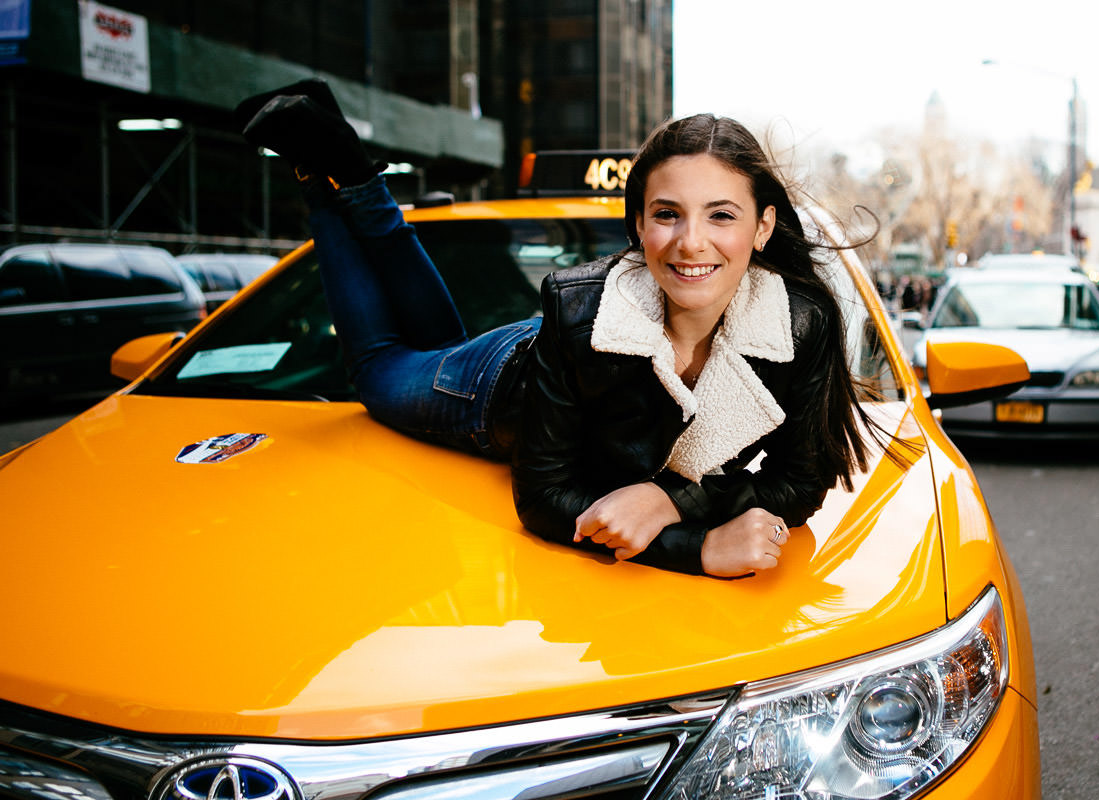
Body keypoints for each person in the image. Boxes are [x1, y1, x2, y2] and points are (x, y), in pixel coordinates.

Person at [236, 80, 880, 579]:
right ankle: (329, 178)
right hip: (500, 389)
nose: (691, 243)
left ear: (762, 228)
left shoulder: (800, 324)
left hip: (566, 350)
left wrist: (668, 501)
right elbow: (545, 496)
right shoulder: (575, 309)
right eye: (667, 214)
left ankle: (346, 171)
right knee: (378, 369)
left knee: (430, 342)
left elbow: (802, 480)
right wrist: (697, 545)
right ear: (637, 228)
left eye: (721, 215)